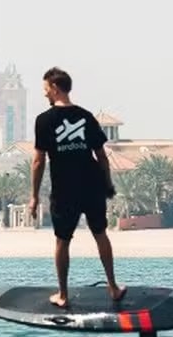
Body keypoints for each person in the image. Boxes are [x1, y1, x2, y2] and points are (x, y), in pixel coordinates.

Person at [28, 67, 126, 308]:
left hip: (65, 189)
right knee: (100, 234)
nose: (45, 95)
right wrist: (107, 183)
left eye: (45, 90)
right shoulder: (86, 116)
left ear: (55, 88)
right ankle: (113, 287)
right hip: (92, 185)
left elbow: (38, 161)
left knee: (62, 240)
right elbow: (101, 156)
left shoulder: (44, 120)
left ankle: (63, 295)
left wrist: (33, 197)